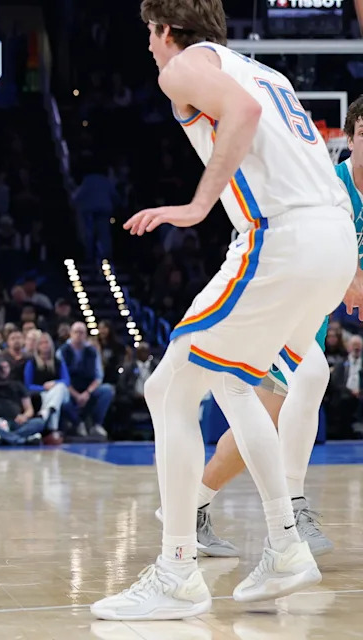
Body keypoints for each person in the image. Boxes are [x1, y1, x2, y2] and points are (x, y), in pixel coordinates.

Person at [93, 2, 357, 620]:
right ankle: (286, 544)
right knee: (239, 385)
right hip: (332, 237)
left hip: (280, 238)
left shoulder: (183, 65)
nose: (151, 50)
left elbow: (241, 114)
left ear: (164, 29)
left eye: (149, 35)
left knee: (169, 392)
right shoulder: (266, 71)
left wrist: (195, 205)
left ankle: (177, 571)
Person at [172, 96, 363, 560]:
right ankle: (293, 506)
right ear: (350, 137)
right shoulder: (329, 187)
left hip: (306, 312)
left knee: (260, 426)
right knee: (311, 377)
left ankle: (191, 509)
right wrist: (350, 279)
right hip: (269, 294)